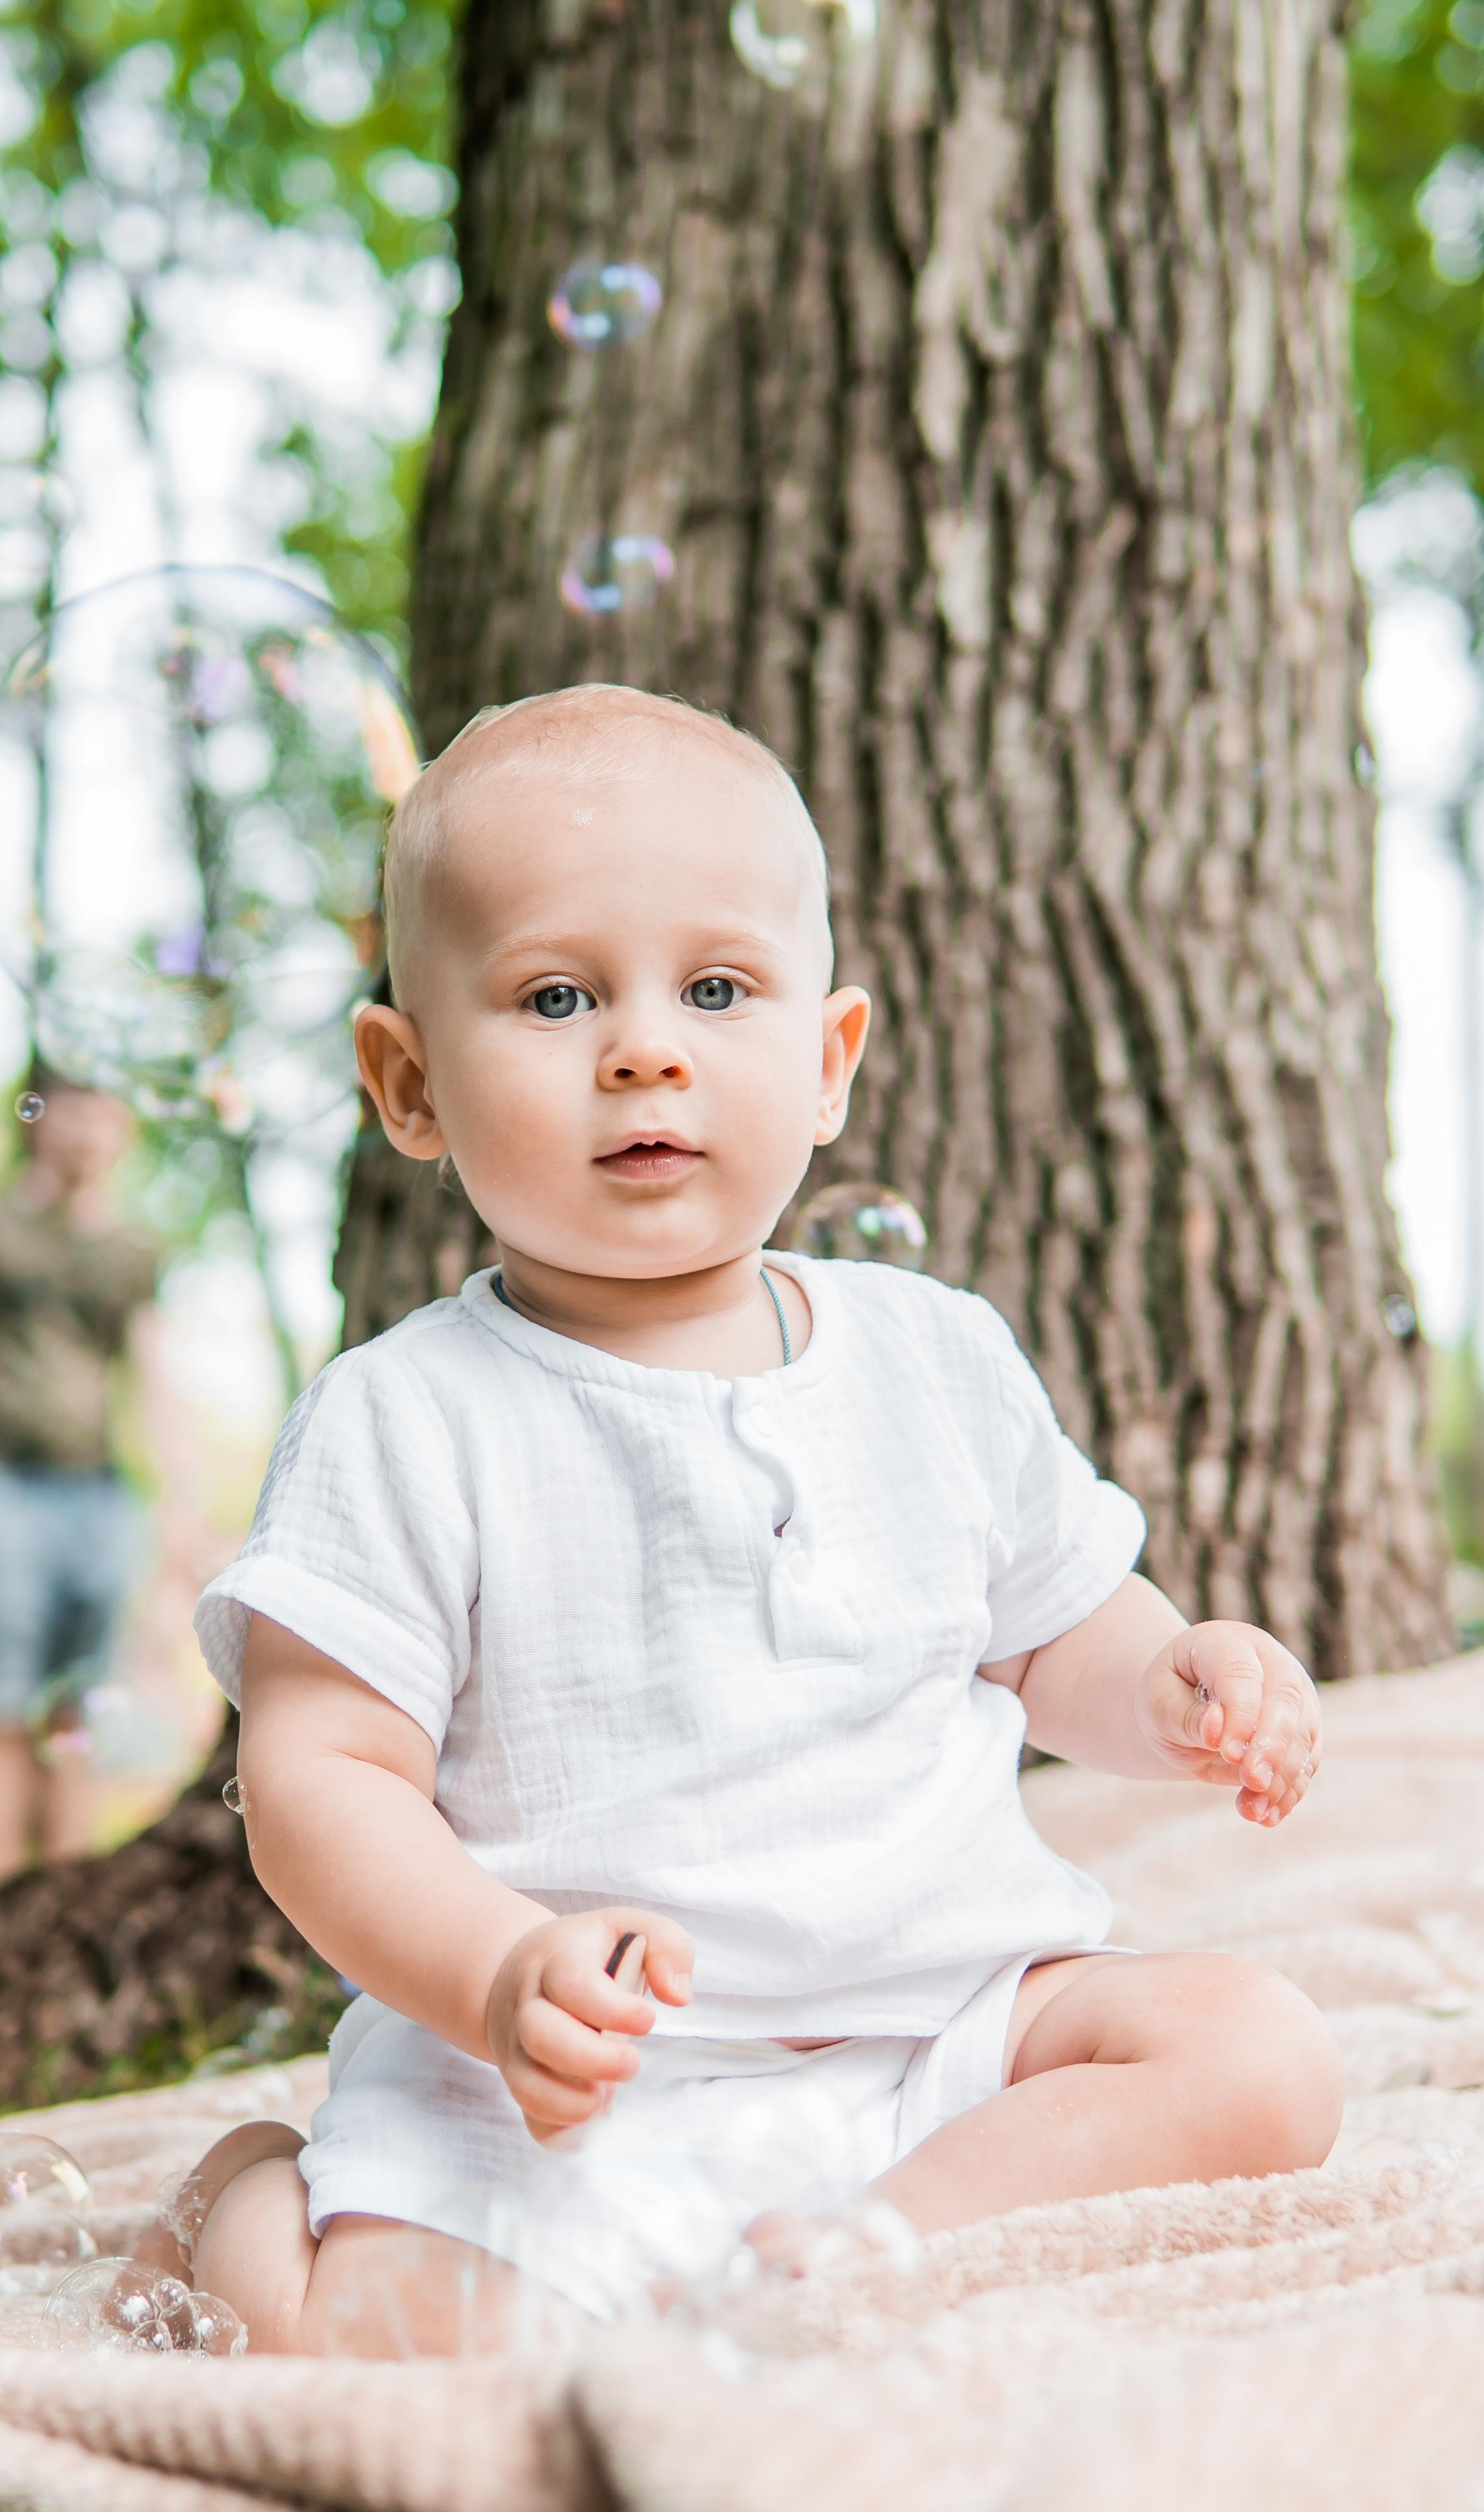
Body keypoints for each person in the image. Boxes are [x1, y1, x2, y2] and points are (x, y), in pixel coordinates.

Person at [171, 685, 1341, 2356]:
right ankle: (245, 2195)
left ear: (826, 1059)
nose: (646, 1046)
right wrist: (501, 1974)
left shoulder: (933, 1354)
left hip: (931, 2037)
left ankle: (879, 2242)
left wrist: (1172, 1682)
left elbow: (1053, 1627)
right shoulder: (404, 1415)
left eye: (716, 989)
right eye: (555, 993)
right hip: (565, 2088)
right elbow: (317, 1781)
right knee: (369, 2342)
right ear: (406, 1082)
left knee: (1258, 2049)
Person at [0, 1072, 197, 1885]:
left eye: (107, 1114)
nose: (93, 1130)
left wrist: (180, 1503)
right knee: (4, 1707)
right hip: (3, 1490)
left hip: (100, 1497)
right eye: (74, 1111)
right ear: (37, 1119)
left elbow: (155, 1372)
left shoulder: (129, 1252)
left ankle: (62, 1899)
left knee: (78, 1710)